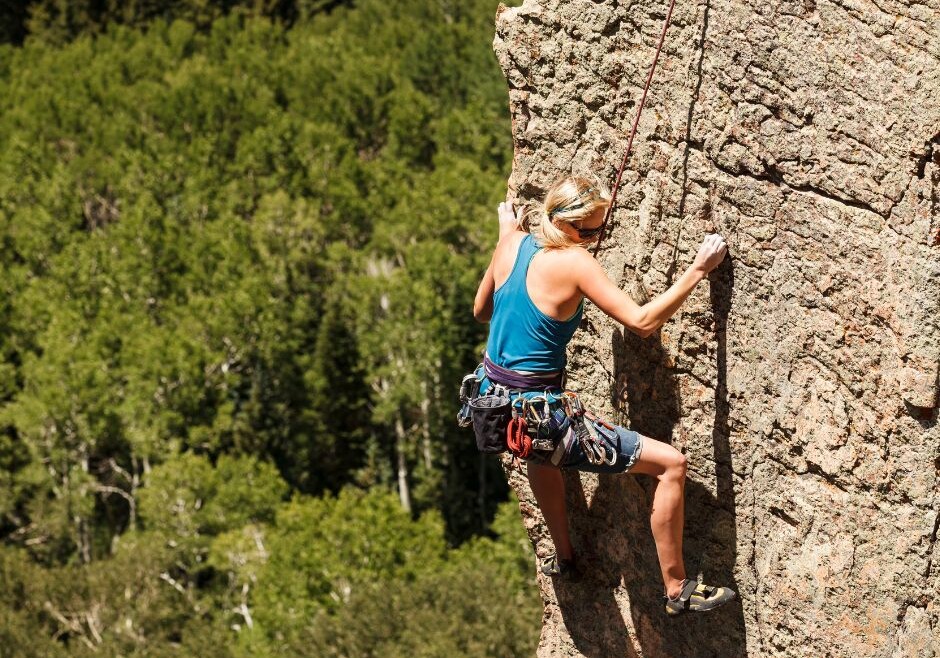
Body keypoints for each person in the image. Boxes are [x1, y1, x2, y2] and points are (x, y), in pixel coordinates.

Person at [471, 175, 736, 616]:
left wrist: (504, 244)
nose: (597, 238)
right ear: (568, 226)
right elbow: (642, 321)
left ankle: (565, 556)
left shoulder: (512, 243)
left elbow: (481, 311)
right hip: (542, 416)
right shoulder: (574, 261)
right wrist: (698, 269)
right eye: (592, 231)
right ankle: (677, 589)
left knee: (539, 455)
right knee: (672, 464)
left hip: (496, 406)